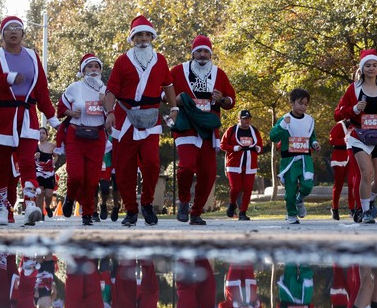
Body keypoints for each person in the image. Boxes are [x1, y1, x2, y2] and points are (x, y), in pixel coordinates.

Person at [0, 16, 60, 226]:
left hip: (27, 116)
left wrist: (52, 118)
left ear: (23, 34)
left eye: (18, 28)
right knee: (0, 167)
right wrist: (7, 78)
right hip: (0, 117)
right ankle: (2, 207)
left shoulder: (32, 56)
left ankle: (31, 204)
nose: (14, 32)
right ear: (2, 34)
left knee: (26, 162)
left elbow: (41, 88)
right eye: (9, 29)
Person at [104, 15, 178, 227]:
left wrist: (174, 109)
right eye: (139, 35)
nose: (143, 38)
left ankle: (146, 203)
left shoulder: (160, 60)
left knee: (152, 164)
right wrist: (110, 112)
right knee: (124, 168)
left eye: (147, 34)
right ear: (132, 38)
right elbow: (111, 90)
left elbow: (169, 86)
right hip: (125, 118)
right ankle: (130, 209)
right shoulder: (122, 61)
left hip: (150, 118)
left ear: (152, 37)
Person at [169, 35, 235, 225]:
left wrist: (222, 99)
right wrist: (175, 101)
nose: (202, 55)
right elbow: (163, 93)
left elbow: (231, 100)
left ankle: (196, 212)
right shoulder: (178, 71)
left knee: (208, 173)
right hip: (186, 125)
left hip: (208, 127)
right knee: (186, 166)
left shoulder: (219, 74)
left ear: (211, 54)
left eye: (206, 51)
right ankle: (183, 201)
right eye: (199, 51)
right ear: (192, 53)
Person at [334, 49, 377, 224]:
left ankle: (369, 200)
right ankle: (365, 211)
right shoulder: (353, 89)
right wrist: (354, 109)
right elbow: (338, 113)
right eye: (368, 65)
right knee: (366, 173)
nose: (371, 68)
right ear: (362, 68)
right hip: (359, 135)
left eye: (374, 65)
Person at [57, 54, 108, 226]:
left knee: (92, 179)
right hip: (76, 135)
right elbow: (61, 107)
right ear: (83, 70)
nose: (93, 70)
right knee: (76, 176)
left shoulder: (106, 90)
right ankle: (70, 198)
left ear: (101, 70)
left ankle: (87, 213)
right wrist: (70, 113)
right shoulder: (75, 87)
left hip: (97, 137)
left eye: (96, 67)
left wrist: (106, 103)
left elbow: (113, 114)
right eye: (90, 67)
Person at [269, 88, 321, 224]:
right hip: (289, 160)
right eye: (300, 103)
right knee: (290, 191)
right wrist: (283, 125)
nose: (303, 106)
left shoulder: (309, 120)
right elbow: (273, 136)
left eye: (305, 104)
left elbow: (311, 136)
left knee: (308, 185)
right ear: (292, 103)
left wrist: (314, 143)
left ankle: (300, 199)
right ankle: (292, 214)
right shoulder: (285, 119)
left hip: (305, 159)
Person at [220, 110, 263, 220]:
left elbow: (260, 145)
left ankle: (243, 212)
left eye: (248, 118)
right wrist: (234, 148)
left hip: (250, 164)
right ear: (239, 119)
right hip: (234, 163)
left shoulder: (254, 130)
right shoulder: (231, 130)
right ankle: (232, 203)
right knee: (236, 188)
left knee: (248, 188)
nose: (247, 120)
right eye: (244, 118)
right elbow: (222, 145)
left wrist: (258, 148)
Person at [328, 119, 360, 221]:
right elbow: (332, 140)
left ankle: (352, 208)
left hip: (351, 156)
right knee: (339, 184)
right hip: (339, 157)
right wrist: (345, 140)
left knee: (352, 183)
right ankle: (335, 208)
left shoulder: (356, 125)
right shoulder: (339, 126)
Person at [35, 127, 58, 218]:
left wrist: (53, 162)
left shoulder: (52, 146)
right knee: (39, 193)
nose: (41, 135)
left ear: (47, 135)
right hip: (38, 172)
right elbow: (28, 157)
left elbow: (56, 156)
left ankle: (47, 206)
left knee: (49, 194)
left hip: (49, 173)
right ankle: (41, 213)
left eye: (43, 133)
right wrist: (34, 156)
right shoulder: (34, 145)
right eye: (39, 133)